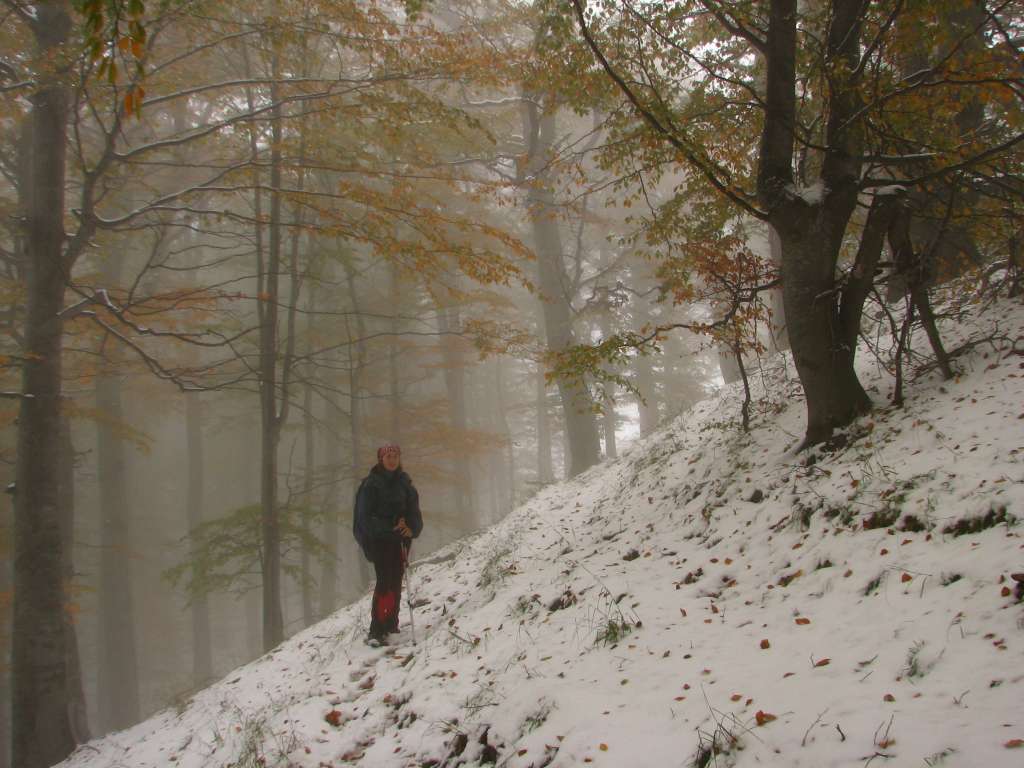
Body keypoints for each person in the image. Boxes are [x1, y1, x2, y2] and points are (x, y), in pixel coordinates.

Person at [352, 444, 423, 646]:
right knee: (384, 580)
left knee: (396, 579)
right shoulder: (371, 485)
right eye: (388, 456)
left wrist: (411, 528)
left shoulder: (405, 483)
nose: (392, 460)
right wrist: (391, 526)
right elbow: (364, 518)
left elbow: (414, 512)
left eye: (395, 456)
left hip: (400, 541)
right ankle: (377, 629)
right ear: (381, 459)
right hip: (379, 541)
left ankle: (391, 624)